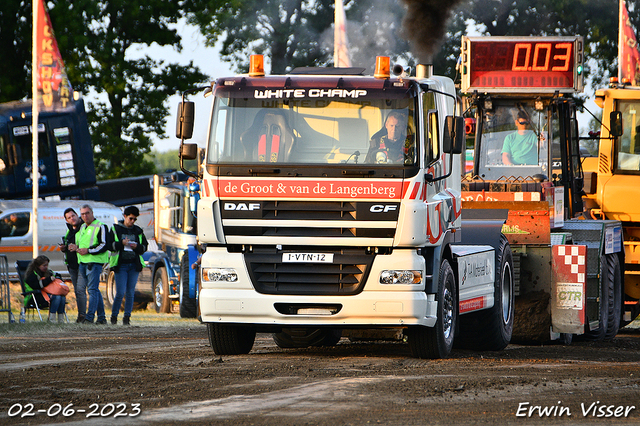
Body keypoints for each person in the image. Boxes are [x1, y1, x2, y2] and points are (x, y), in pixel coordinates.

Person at [109, 206, 148, 325]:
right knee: (120, 292)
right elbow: (110, 245)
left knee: (131, 293)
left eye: (134, 219)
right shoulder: (116, 229)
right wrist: (121, 243)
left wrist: (137, 247)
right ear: (125, 216)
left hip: (133, 265)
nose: (132, 221)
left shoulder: (138, 231)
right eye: (130, 218)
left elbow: (144, 247)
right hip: (120, 265)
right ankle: (114, 316)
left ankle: (127, 318)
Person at [76, 204, 109, 324]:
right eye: (83, 214)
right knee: (94, 290)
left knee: (92, 290)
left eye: (87, 213)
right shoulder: (82, 227)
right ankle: (101, 318)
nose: (85, 216)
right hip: (83, 262)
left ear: (92, 213)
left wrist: (88, 250)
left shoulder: (101, 226)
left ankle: (89, 318)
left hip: (94, 262)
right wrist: (76, 248)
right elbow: (82, 244)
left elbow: (104, 244)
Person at [59, 207, 86, 323]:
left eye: (73, 215)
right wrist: (64, 248)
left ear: (77, 215)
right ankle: (82, 315)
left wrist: (77, 248)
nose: (72, 218)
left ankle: (83, 316)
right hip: (72, 265)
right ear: (66, 220)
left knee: (81, 290)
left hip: (82, 262)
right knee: (77, 291)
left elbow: (86, 244)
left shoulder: (84, 227)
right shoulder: (69, 230)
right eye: (69, 217)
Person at [24, 255, 66, 322]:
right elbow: (37, 286)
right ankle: (52, 319)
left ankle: (61, 319)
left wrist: (58, 278)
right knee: (56, 297)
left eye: (47, 265)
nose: (46, 267)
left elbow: (55, 275)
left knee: (62, 297)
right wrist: (48, 279)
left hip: (46, 294)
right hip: (34, 296)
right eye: (44, 265)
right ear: (38, 266)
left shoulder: (48, 272)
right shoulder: (31, 275)